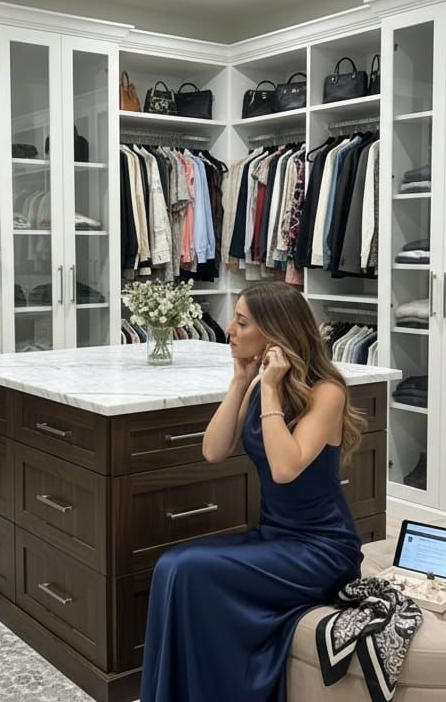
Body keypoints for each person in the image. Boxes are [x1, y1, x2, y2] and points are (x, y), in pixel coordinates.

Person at [140, 280, 366, 702]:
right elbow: (213, 450)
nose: (229, 329)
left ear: (274, 333)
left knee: (187, 568)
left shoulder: (327, 391)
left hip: (322, 549)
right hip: (274, 537)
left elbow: (285, 468)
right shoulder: (258, 382)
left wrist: (271, 389)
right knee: (171, 567)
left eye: (242, 323)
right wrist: (240, 382)